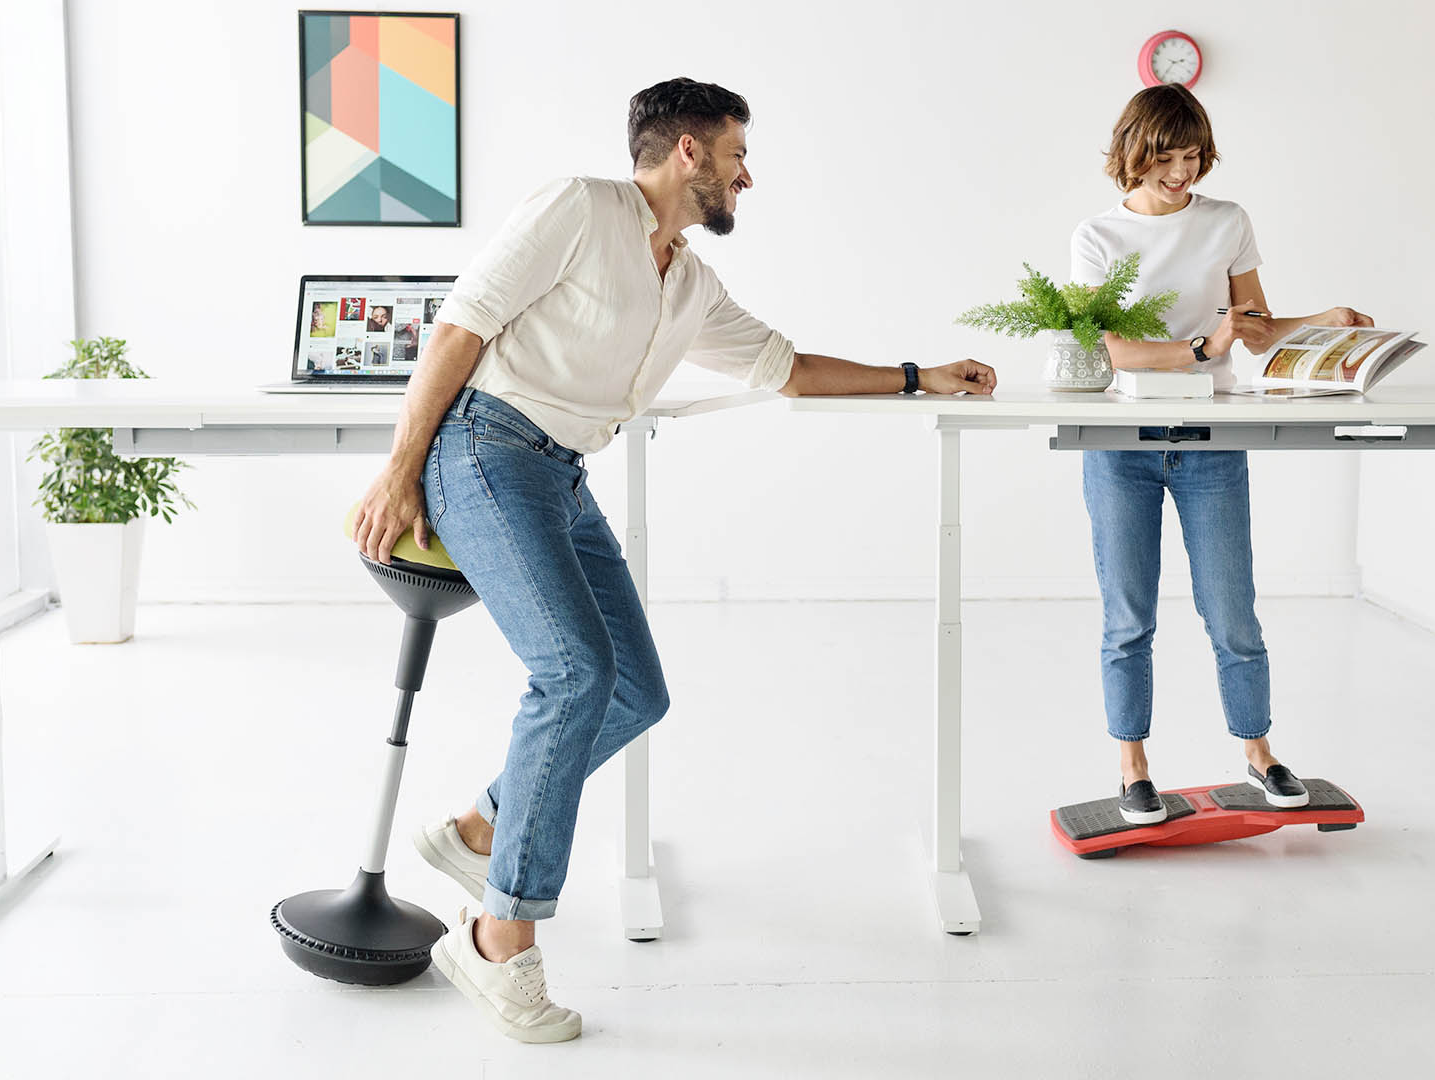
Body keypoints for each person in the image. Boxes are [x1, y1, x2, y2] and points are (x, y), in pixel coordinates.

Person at [350, 77, 995, 1043]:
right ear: (687, 150)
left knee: (633, 693)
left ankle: (481, 831)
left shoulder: (690, 281)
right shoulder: (580, 207)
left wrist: (915, 376)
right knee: (573, 673)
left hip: (559, 474)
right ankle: (497, 940)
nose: (748, 174)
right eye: (738, 154)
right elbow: (463, 323)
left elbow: (787, 368)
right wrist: (401, 466)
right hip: (483, 448)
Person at [1069, 83, 1370, 827]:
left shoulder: (1227, 221)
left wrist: (1318, 320)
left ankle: (1260, 754)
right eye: (1166, 158)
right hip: (1121, 445)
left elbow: (1254, 328)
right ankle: (1133, 768)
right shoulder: (1095, 238)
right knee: (1129, 615)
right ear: (1133, 154)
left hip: (1210, 444)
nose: (1181, 173)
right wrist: (1201, 347)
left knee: (1233, 611)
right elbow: (1104, 349)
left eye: (1194, 156)